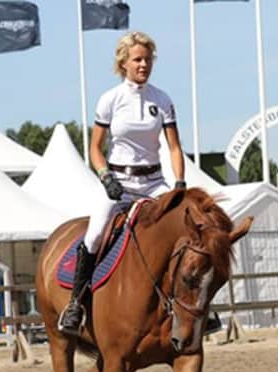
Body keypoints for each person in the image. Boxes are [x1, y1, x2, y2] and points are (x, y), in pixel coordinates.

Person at [58, 31, 186, 335]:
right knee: (94, 236)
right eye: (138, 59)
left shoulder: (162, 99)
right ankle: (76, 304)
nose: (144, 65)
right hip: (118, 183)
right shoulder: (110, 100)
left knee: (185, 232)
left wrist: (180, 183)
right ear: (123, 63)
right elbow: (94, 149)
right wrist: (106, 177)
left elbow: (174, 147)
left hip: (154, 183)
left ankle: (190, 307)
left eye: (148, 59)